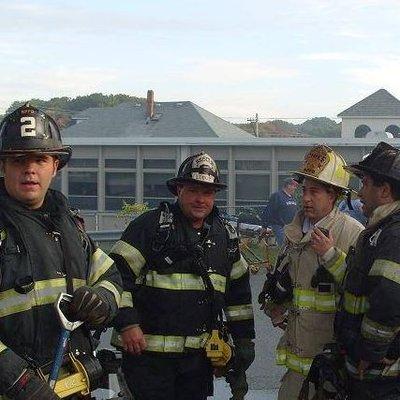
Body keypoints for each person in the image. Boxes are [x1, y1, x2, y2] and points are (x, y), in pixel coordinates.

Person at [110, 152, 255, 400]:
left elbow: (238, 297)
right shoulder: (149, 227)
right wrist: (128, 324)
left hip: (196, 364)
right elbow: (115, 277)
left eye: (207, 193)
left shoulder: (225, 237)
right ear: (178, 190)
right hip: (147, 360)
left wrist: (243, 342)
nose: (200, 199)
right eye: (193, 190)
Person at [0, 104, 122, 400]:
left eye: (40, 159)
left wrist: (102, 300)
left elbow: (111, 275)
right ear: (2, 166)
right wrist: (18, 381)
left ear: (55, 166)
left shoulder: (69, 224)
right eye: (18, 160)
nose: (30, 169)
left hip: (75, 385)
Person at [258, 145, 364, 400]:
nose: (305, 198)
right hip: (296, 361)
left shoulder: (352, 233)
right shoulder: (293, 231)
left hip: (332, 365)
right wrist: (275, 306)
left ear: (335, 196)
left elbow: (363, 292)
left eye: (314, 191)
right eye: (304, 190)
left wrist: (331, 255)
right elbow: (290, 283)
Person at [334, 142, 400, 399]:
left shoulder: (394, 235)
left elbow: (390, 297)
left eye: (365, 183)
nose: (360, 193)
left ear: (384, 191)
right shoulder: (382, 231)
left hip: (381, 377)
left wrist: (369, 353)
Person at [263, 177, 298, 246]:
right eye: (294, 186)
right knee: (284, 246)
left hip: (290, 227)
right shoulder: (277, 196)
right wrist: (264, 226)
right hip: (279, 226)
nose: (295, 188)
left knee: (291, 247)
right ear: (288, 185)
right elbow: (269, 211)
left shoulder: (292, 198)